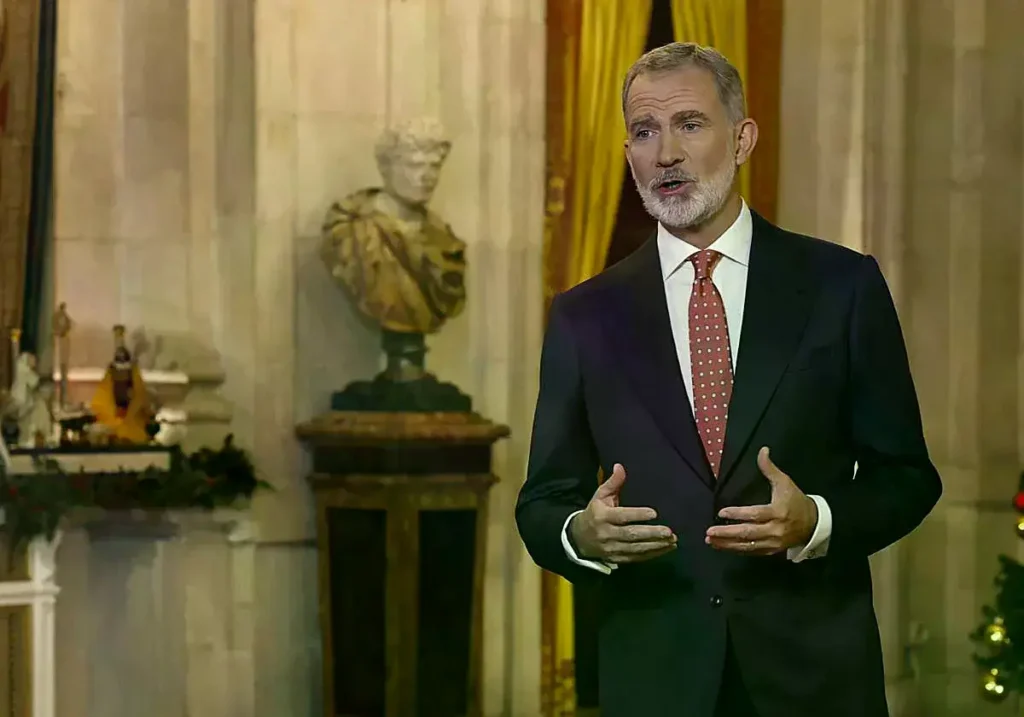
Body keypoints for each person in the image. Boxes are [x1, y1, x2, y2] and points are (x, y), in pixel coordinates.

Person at [516, 42, 941, 717]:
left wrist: (817, 520)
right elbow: (542, 501)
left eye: (689, 124)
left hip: (814, 681)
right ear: (628, 154)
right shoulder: (584, 316)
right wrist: (581, 535)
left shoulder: (841, 286)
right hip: (656, 683)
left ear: (742, 140)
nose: (666, 153)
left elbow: (908, 477)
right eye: (645, 132)